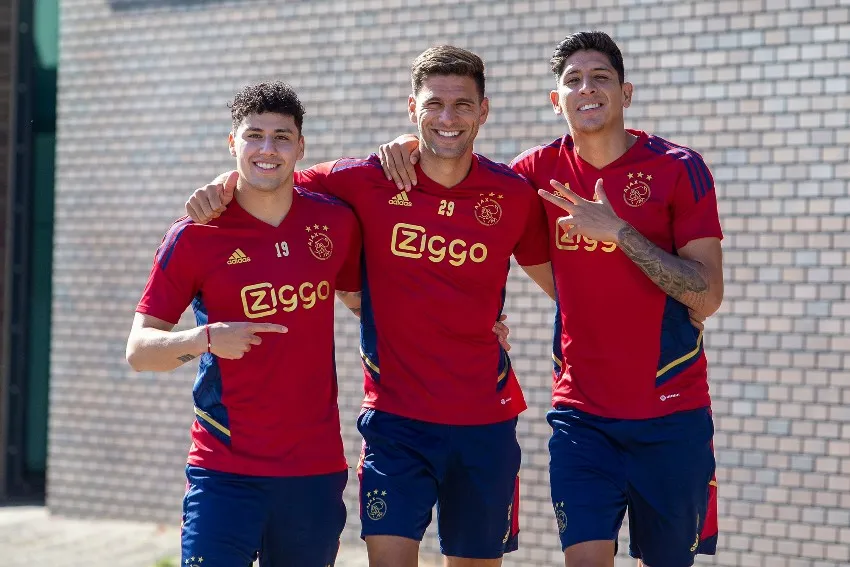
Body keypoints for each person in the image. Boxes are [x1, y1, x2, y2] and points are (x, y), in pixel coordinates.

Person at [184, 46, 555, 567]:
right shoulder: (366, 179)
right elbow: (274, 179)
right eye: (433, 105)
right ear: (412, 108)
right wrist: (223, 187)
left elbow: (565, 288)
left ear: (484, 111)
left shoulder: (513, 194)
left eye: (462, 105)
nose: (447, 118)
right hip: (393, 423)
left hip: (485, 422)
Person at [378, 31, 724, 567]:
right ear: (555, 99)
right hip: (580, 417)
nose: (587, 89)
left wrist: (620, 234)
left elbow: (707, 295)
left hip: (672, 415)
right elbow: (457, 181)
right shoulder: (531, 175)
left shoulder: (680, 167)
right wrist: (408, 147)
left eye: (600, 78)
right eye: (573, 80)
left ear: (625, 93)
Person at [126, 81, 363, 567]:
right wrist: (207, 338)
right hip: (224, 470)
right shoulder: (194, 236)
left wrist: (476, 327)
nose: (267, 149)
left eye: (281, 136)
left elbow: (369, 304)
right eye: (254, 135)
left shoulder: (336, 224)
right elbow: (139, 350)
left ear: (301, 147)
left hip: (313, 470)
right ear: (233, 143)